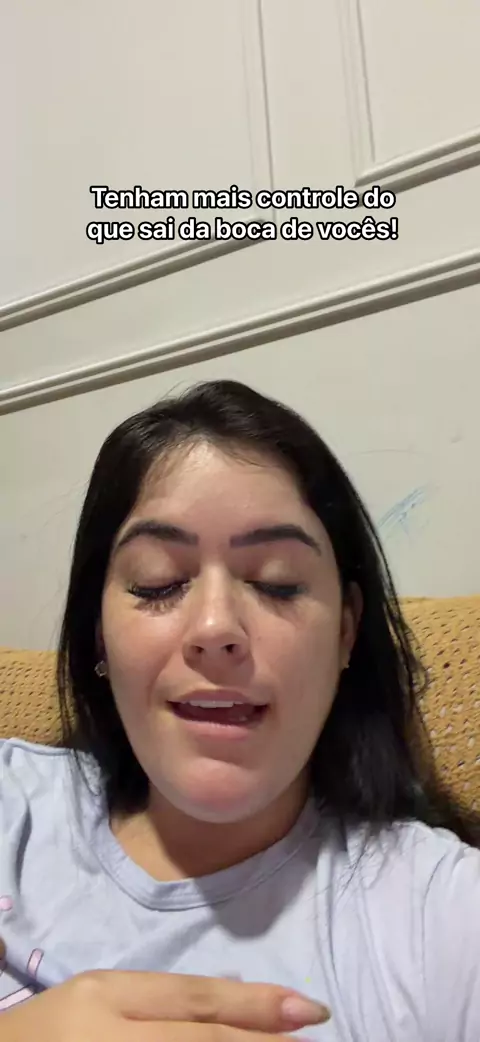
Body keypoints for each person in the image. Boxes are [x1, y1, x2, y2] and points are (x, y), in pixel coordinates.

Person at [0, 379, 479, 1042]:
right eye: (158, 583)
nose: (215, 627)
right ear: (97, 635)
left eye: (277, 584)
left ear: (345, 631)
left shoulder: (441, 916)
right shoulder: (13, 803)